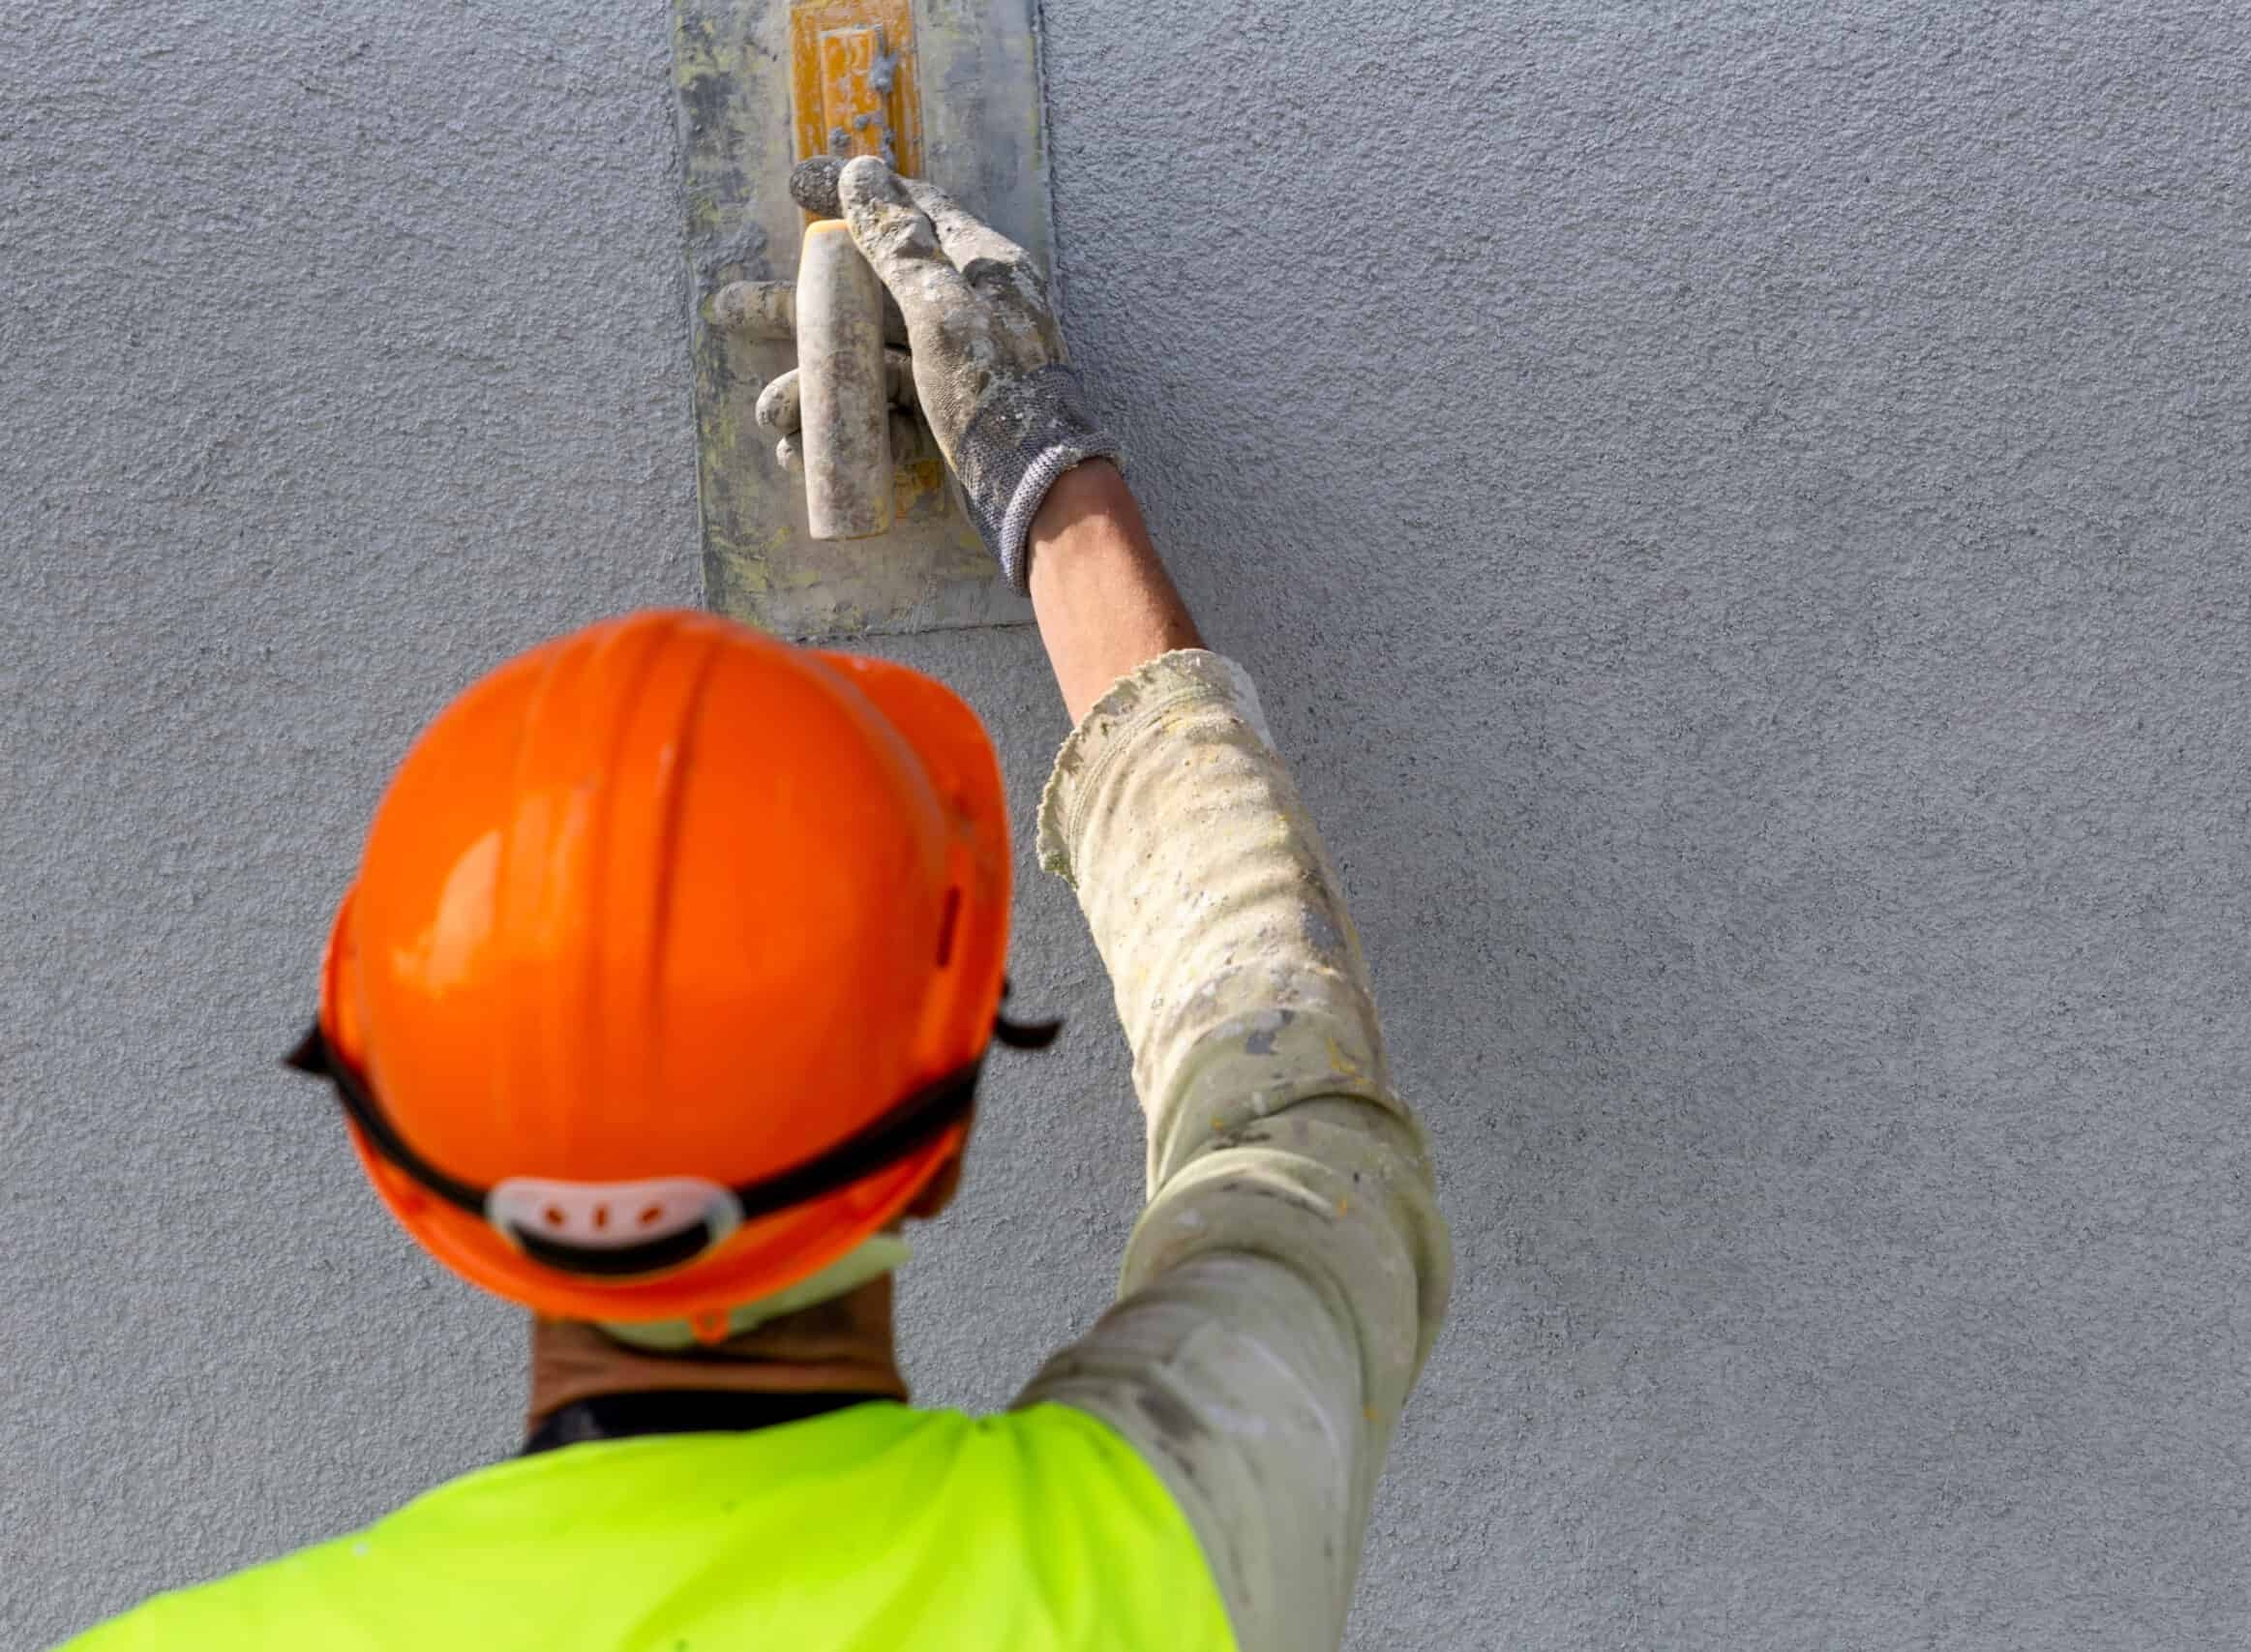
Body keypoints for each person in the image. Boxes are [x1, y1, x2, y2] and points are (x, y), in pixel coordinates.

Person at [60, 157, 1449, 1651]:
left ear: (411, 1179)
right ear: (939, 1153)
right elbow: (1290, 1108)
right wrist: (1042, 468)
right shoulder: (1148, 1558)